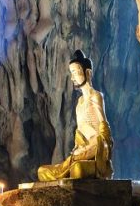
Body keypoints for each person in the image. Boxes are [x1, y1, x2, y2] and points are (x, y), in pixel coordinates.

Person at [38, 49, 114, 181]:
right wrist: (78, 150)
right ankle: (65, 167)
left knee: (77, 169)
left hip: (96, 154)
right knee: (42, 171)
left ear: (88, 73)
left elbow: (105, 136)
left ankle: (66, 168)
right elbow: (80, 137)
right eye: (71, 73)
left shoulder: (96, 97)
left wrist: (87, 150)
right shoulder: (79, 103)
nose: (72, 78)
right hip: (80, 153)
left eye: (75, 72)